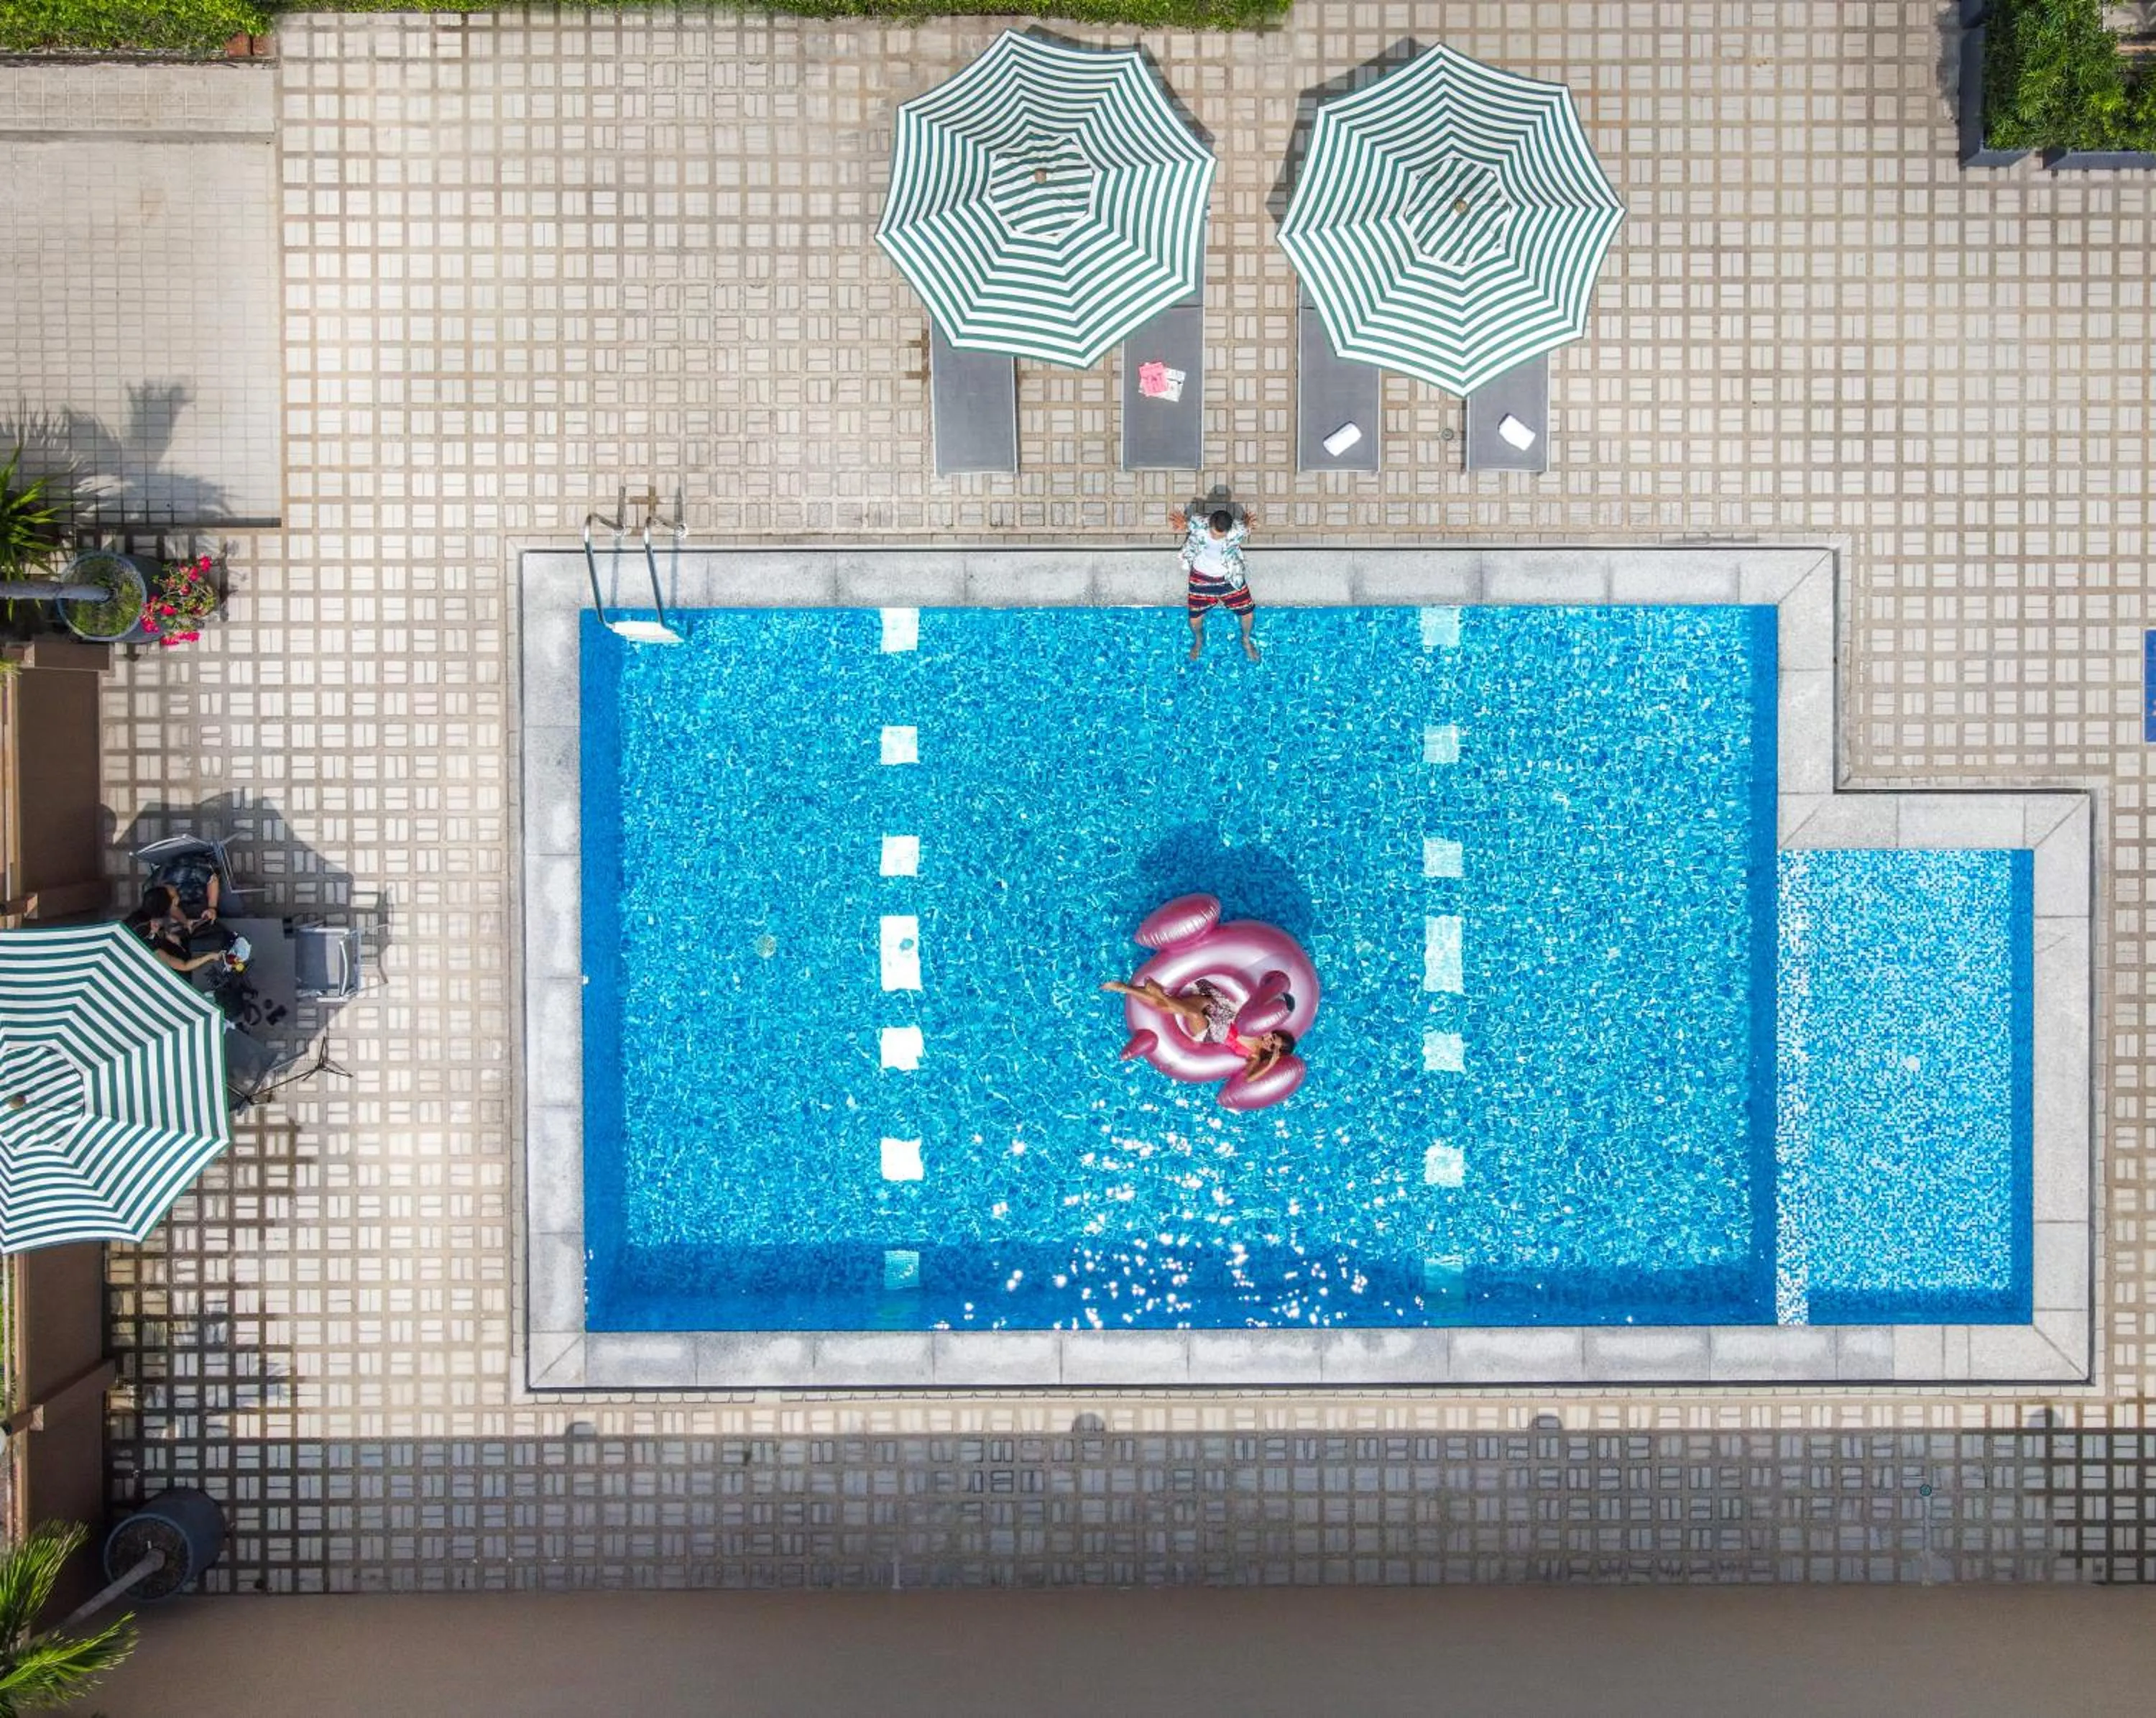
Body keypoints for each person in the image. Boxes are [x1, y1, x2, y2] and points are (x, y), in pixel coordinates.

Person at [1101, 976, 1294, 1083]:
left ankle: (1130, 989)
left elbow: (1249, 1079)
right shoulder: (1258, 1023)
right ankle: (1128, 989)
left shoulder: (1255, 1056)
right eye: (1274, 1037)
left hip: (1209, 1030)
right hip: (1216, 1007)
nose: (1269, 1039)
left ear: (1271, 1052)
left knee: (1192, 1014)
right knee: (1174, 1007)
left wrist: (1271, 1064)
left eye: (1272, 1045)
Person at [1170, 502, 1260, 663]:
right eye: (1214, 533)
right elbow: (1187, 524)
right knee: (1194, 618)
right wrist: (1182, 523)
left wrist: (1247, 522)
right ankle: (1198, 640)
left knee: (1248, 614)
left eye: (1222, 535)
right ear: (1209, 522)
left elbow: (1246, 526)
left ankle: (1246, 639)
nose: (1217, 537)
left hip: (1229, 578)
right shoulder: (1199, 523)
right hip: (1201, 578)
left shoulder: (1237, 530)